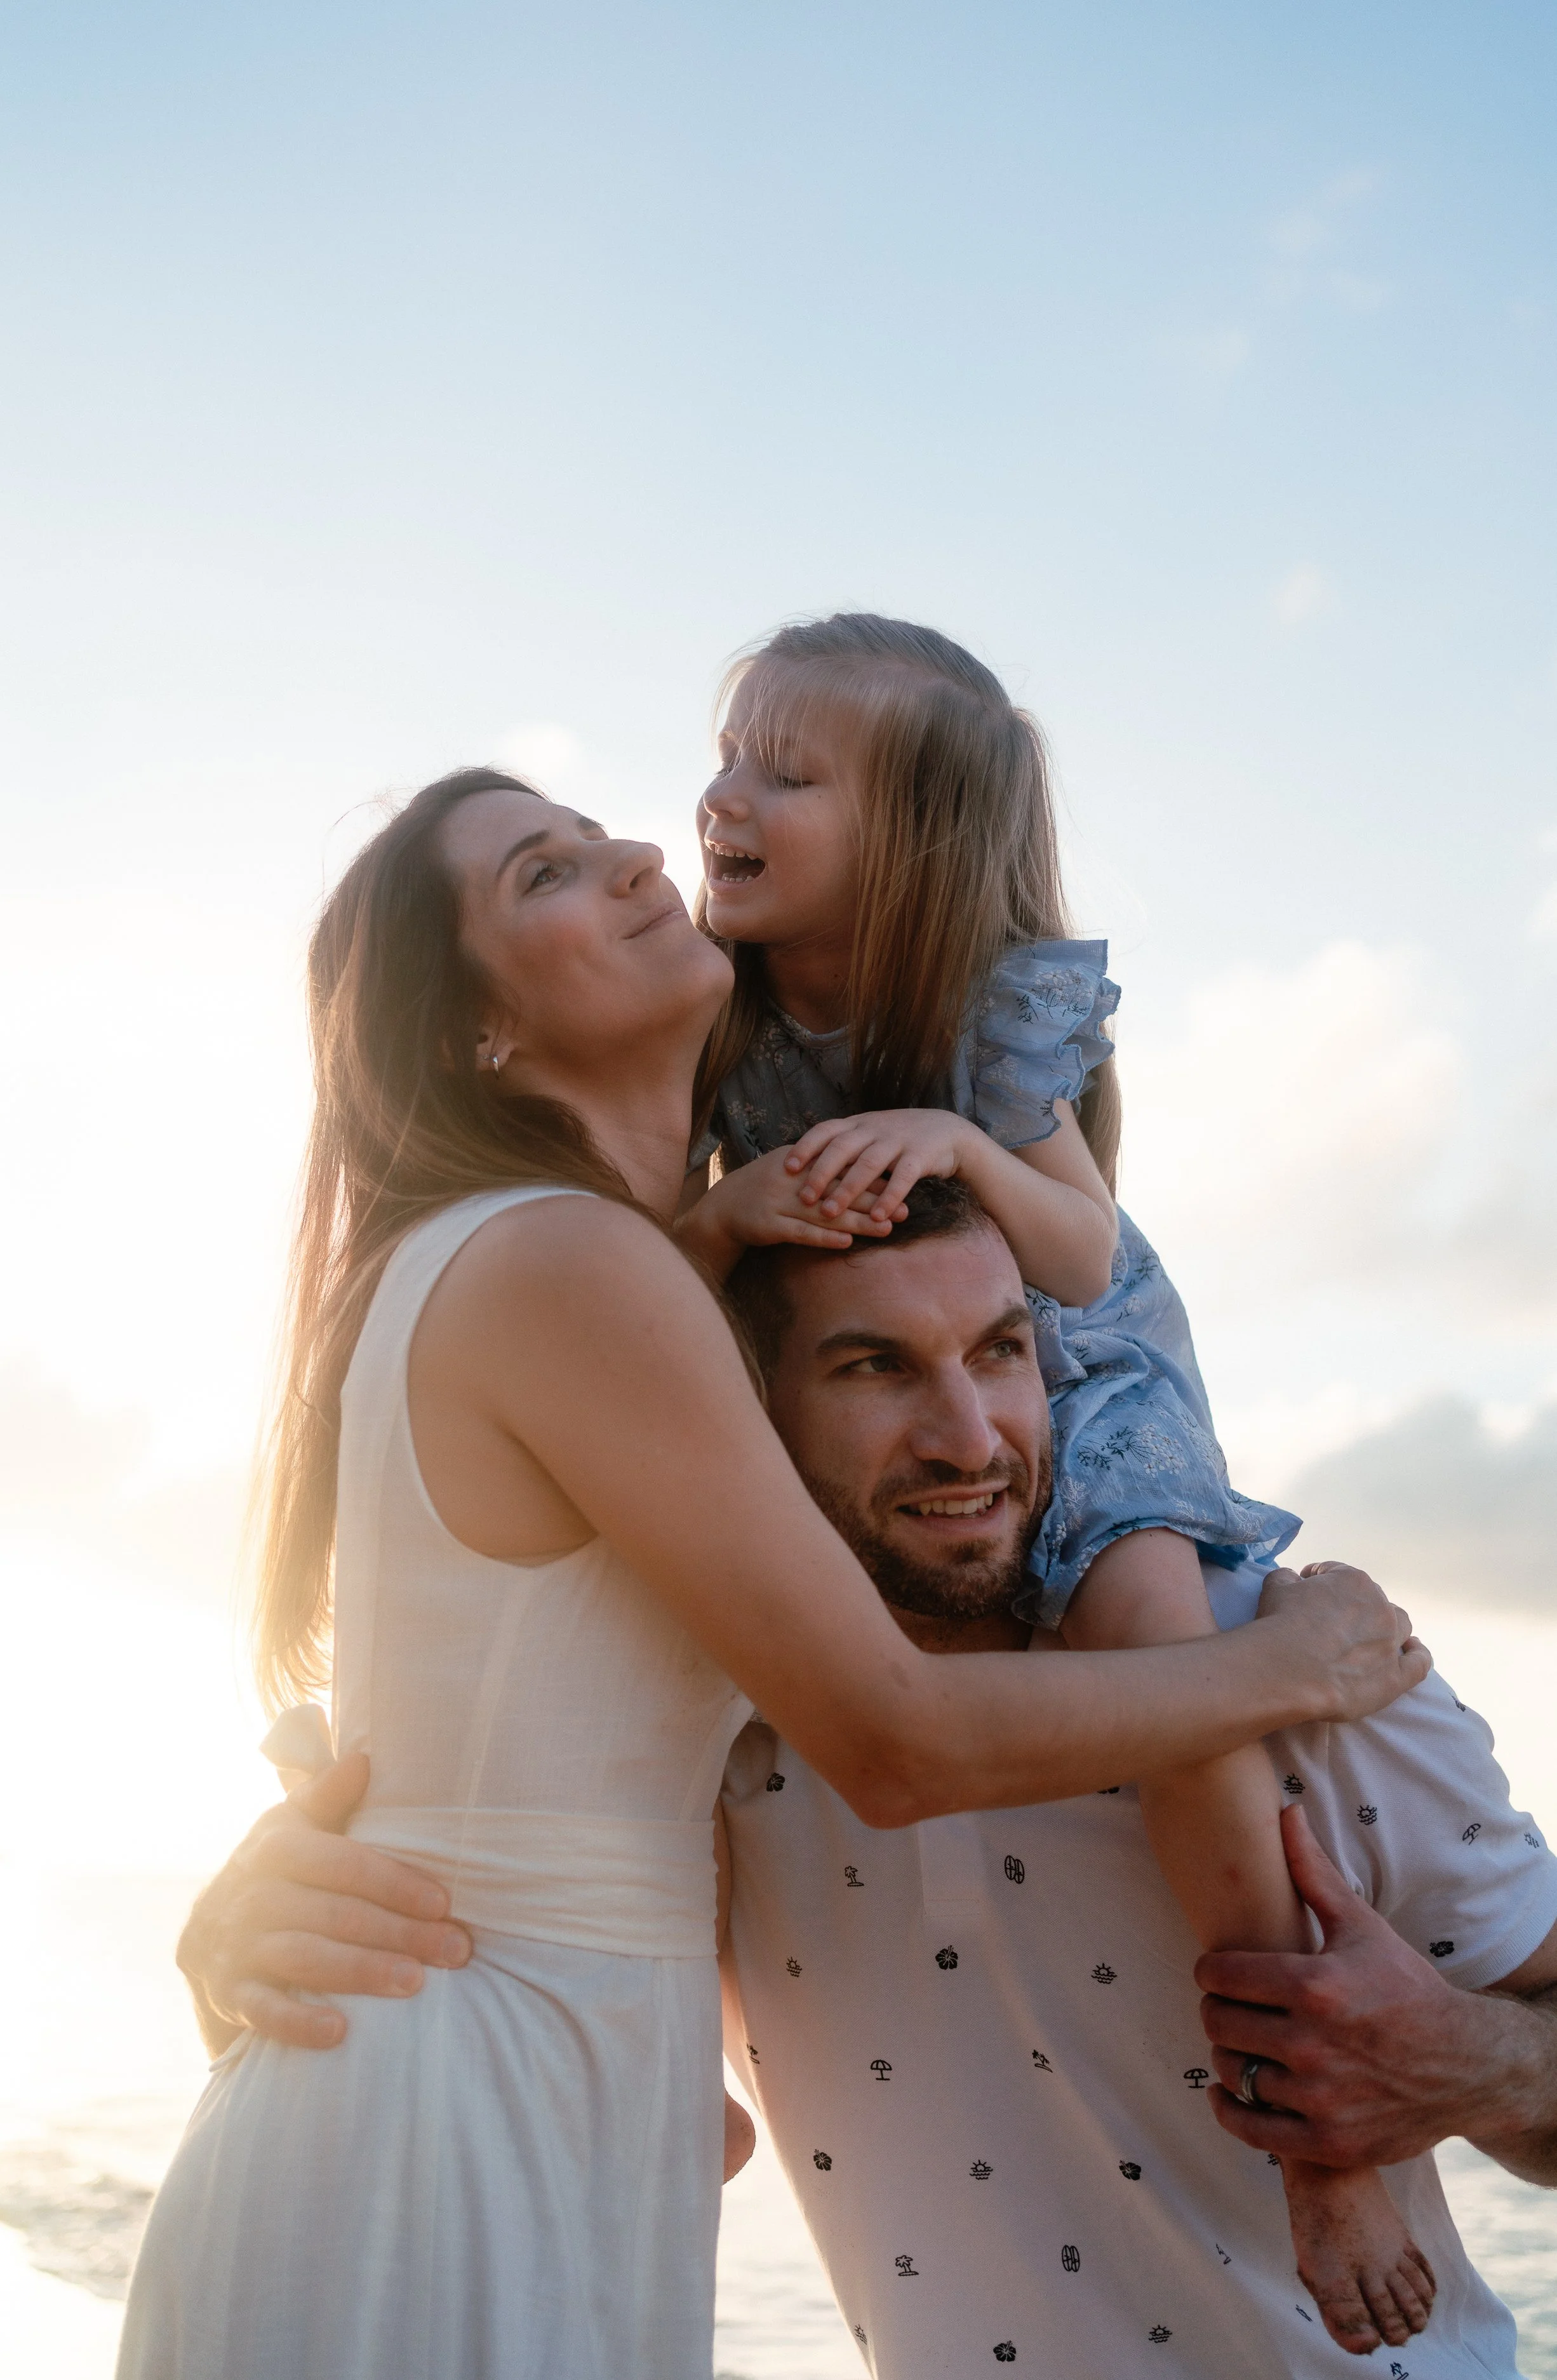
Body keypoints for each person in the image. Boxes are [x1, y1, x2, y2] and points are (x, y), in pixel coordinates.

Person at [116, 772, 1419, 2380]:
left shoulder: (596, 1269)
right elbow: (890, 1740)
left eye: (604, 834)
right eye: (546, 872)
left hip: (534, 2073)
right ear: (472, 1038)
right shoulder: (559, 1258)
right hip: (467, 2085)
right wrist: (1301, 1660)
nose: (633, 859)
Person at [190, 1184, 1557, 2377]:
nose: (967, 1433)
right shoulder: (697, 1754)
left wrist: (1476, 2060)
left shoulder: (1295, 1670)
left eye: (1000, 1351)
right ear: (741, 1411)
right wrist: (262, 1949)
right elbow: (510, 2043)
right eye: (872, 1367)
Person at [673, 612, 1423, 2343]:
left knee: (1165, 1657)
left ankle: (1317, 2129)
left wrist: (956, 1148)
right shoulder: (719, 1018)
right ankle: (681, 2061)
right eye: (725, 752)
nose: (725, 795)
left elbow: (1078, 1256)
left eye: (786, 771)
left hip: (1074, 1382)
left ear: (916, 845)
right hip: (856, 1388)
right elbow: (658, 1256)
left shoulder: (992, 1018)